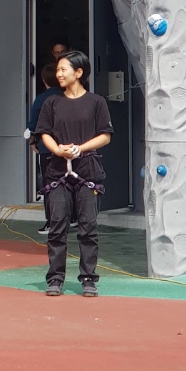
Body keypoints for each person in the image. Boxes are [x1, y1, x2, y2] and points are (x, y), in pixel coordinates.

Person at [35, 49, 113, 298]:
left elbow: (105, 136)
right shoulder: (51, 103)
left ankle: (88, 278)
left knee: (88, 226)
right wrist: (58, 149)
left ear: (78, 73)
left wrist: (81, 148)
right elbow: (43, 133)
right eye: (58, 70)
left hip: (87, 170)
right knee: (57, 225)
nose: (58, 74)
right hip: (58, 171)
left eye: (63, 69)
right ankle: (55, 278)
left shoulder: (96, 102)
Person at [27, 63, 61, 235]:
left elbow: (32, 126)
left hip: (47, 149)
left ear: (43, 80)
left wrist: (32, 141)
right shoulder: (69, 95)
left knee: (50, 185)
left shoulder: (41, 99)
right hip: (71, 147)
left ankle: (52, 222)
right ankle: (73, 218)